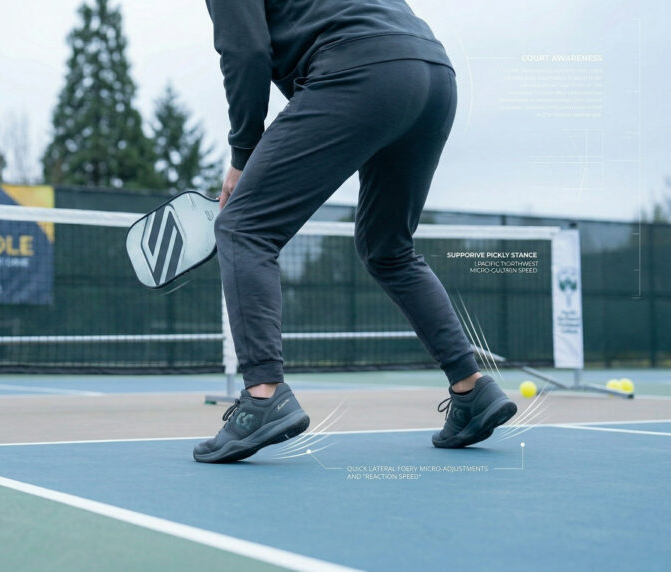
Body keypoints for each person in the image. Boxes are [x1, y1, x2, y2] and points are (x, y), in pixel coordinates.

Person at [194, 0, 517, 463]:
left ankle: (263, 397)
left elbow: (245, 51)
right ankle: (472, 388)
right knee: (389, 248)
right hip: (432, 72)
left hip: (362, 68)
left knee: (244, 228)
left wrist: (244, 152)